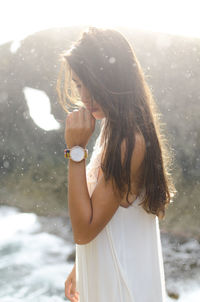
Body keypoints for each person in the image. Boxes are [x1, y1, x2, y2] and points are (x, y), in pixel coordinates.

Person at [56, 26, 176, 302]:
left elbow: (84, 230)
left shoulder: (128, 142)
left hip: (122, 288)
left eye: (89, 82)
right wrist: (81, 266)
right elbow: (105, 216)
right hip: (115, 277)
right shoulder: (115, 128)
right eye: (78, 84)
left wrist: (75, 150)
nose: (84, 96)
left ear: (112, 76)